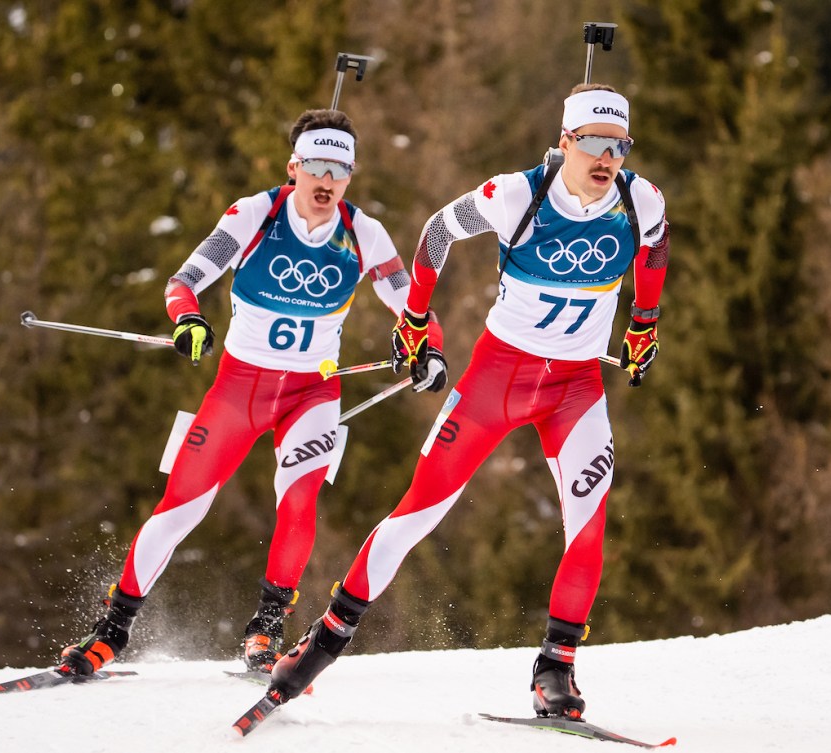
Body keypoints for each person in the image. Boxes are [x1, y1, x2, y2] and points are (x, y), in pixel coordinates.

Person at [266, 84, 670, 719]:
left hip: (575, 389)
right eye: (590, 142)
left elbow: (656, 248)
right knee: (413, 515)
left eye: (617, 146)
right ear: (565, 141)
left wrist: (644, 322)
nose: (605, 157)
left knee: (589, 525)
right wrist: (416, 319)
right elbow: (434, 233)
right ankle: (320, 643)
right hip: (495, 382)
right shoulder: (517, 194)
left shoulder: (638, 197)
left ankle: (555, 667)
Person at [57, 109, 448, 677]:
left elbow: (413, 306)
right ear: (294, 167)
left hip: (312, 394)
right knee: (179, 508)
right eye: (315, 164)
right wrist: (188, 319)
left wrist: (427, 349)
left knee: (298, 502)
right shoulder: (255, 213)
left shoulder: (363, 233)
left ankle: (266, 629)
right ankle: (111, 630)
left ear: (350, 175)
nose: (326, 179)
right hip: (238, 390)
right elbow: (183, 282)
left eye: (339, 168)